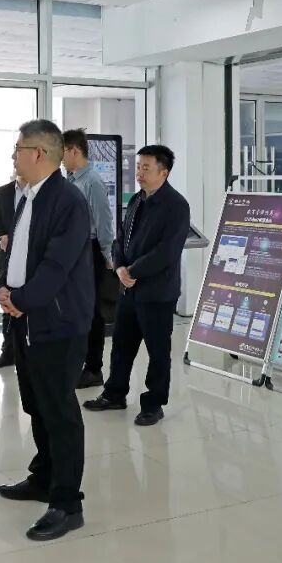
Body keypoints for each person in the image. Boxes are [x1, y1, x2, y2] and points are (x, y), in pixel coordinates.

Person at [0, 119, 94, 542]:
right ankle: (44, 477)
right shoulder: (29, 196)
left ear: (38, 153)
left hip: (56, 323)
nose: (14, 155)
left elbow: (57, 265)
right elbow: (16, 254)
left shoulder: (68, 201)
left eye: (18, 148)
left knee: (59, 411)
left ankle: (67, 504)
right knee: (36, 404)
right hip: (27, 319)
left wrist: (22, 299)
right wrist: (2, 287)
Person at [84, 145, 190, 427]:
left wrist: (132, 270)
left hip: (157, 292)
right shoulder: (136, 200)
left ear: (163, 173)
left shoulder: (176, 206)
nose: (139, 173)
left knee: (157, 352)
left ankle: (153, 404)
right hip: (128, 288)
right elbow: (120, 238)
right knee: (121, 345)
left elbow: (167, 251)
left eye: (146, 168)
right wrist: (119, 266)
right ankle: (114, 394)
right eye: (139, 167)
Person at [61, 128, 116, 389]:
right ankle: (78, 362)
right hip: (74, 251)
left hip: (90, 251)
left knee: (91, 311)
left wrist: (107, 254)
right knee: (76, 308)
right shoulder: (70, 180)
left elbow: (104, 221)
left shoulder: (92, 181)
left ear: (74, 150)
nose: (60, 158)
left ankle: (94, 368)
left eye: (62, 152)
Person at [0, 175, 25, 370]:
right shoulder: (3, 192)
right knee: (6, 302)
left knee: (27, 301)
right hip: (7, 255)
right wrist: (2, 236)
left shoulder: (38, 191)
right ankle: (8, 351)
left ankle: (26, 350)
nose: (16, 162)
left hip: (29, 258)